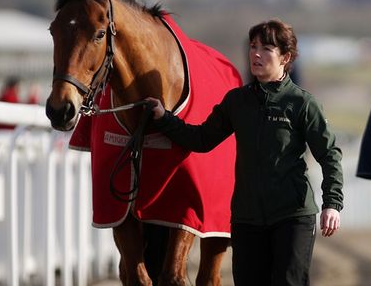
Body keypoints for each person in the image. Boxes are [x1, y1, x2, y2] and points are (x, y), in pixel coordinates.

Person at [147, 18, 343, 286]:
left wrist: (332, 204)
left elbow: (329, 154)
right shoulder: (236, 101)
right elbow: (201, 139)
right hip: (246, 219)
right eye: (253, 46)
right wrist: (163, 118)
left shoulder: (302, 104)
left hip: (292, 216)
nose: (256, 54)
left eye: (266, 48)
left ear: (285, 57)